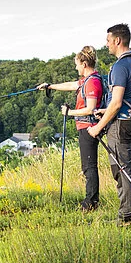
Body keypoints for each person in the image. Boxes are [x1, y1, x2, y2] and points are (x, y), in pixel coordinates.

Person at [87, 23, 131, 226]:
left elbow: (117, 102)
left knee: (121, 169)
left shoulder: (120, 66)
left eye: (109, 41)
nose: (107, 45)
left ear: (118, 40)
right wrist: (106, 109)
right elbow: (126, 98)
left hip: (120, 124)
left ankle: (126, 216)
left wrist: (98, 127)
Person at [37, 46, 104, 212]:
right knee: (87, 166)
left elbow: (90, 108)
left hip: (89, 127)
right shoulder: (87, 80)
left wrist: (70, 112)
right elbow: (72, 85)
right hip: (85, 126)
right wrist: (50, 86)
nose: (76, 68)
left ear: (84, 63)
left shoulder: (93, 83)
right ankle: (90, 201)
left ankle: (91, 203)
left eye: (77, 64)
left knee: (89, 166)